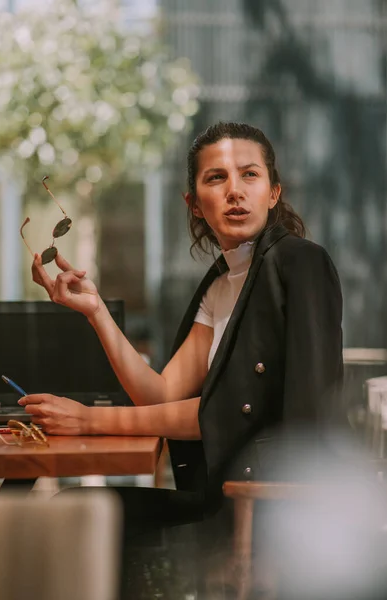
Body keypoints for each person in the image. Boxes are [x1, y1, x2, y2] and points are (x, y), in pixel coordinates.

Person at [22, 121, 345, 597]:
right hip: (222, 501)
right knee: (68, 511)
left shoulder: (300, 262)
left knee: (71, 519)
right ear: (193, 202)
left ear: (274, 192)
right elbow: (162, 394)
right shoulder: (221, 283)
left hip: (270, 518)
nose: (235, 190)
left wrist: (90, 420)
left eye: (249, 175)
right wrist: (95, 312)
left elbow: (221, 414)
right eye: (216, 178)